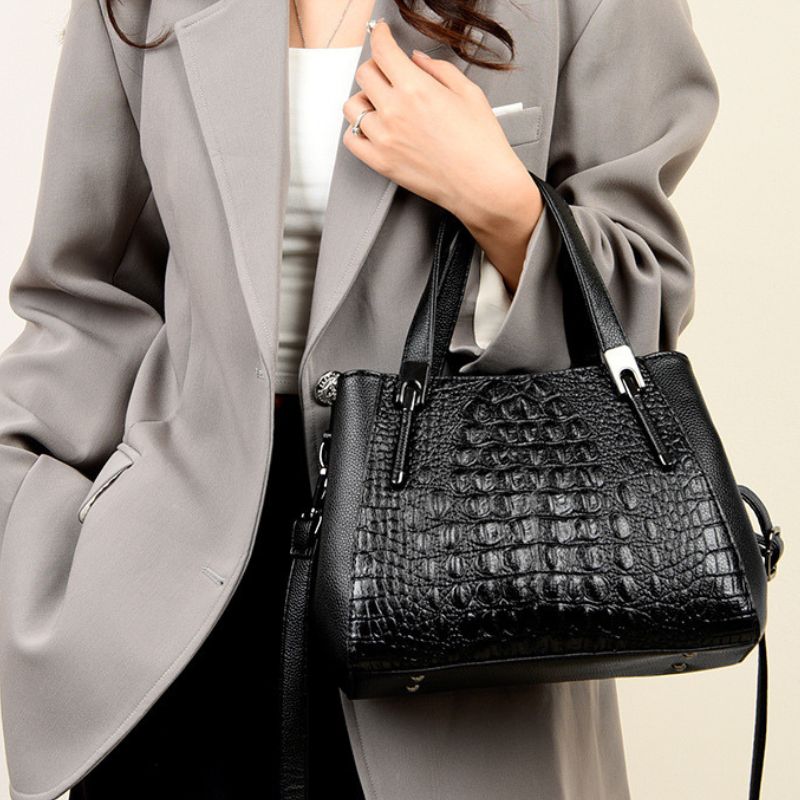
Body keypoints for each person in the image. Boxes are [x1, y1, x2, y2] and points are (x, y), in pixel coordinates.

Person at [0, 1, 719, 799]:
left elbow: (645, 312)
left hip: (465, 579)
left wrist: (503, 205)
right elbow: (83, 300)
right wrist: (20, 522)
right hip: (165, 615)